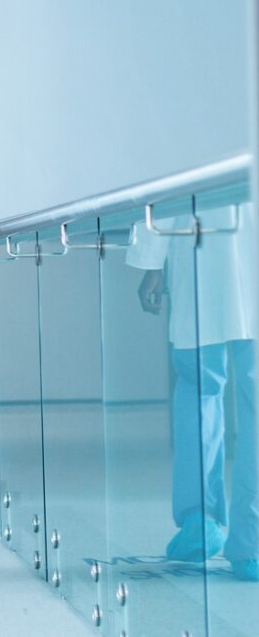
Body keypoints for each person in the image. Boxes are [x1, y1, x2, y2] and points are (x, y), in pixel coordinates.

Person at [130, 201, 258, 581]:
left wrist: (152, 260)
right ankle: (252, 541)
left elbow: (166, 170)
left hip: (199, 250)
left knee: (198, 389)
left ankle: (200, 522)